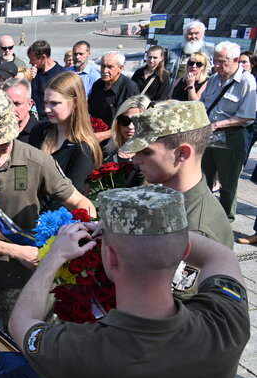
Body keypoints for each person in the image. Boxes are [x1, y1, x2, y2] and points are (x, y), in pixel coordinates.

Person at [8, 185, 249, 378]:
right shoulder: (225, 324)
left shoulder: (83, 350)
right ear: (184, 251)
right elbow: (222, 256)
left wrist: (54, 258)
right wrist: (159, 231)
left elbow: (21, 321)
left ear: (109, 259)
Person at [0, 88, 94, 326]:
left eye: (9, 134)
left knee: (27, 348)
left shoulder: (38, 160)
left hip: (25, 282)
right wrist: (16, 251)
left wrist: (81, 233)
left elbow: (80, 202)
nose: (6, 143)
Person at [120, 100, 232, 296]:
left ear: (182, 152)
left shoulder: (195, 228)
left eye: (146, 151)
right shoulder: (171, 200)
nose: (136, 159)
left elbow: (173, 310)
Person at [201, 41, 257, 221]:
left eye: (221, 62)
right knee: (204, 179)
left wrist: (218, 125)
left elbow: (247, 116)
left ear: (234, 60)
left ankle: (225, 220)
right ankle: (204, 215)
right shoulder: (214, 78)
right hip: (208, 136)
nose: (216, 65)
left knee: (228, 183)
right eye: (215, 61)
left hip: (231, 136)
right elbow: (203, 104)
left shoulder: (247, 81)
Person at [29, 71, 103, 195]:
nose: (47, 109)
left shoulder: (84, 148)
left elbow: (73, 197)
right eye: (45, 102)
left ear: (75, 102)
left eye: (54, 103)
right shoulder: (39, 131)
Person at [88, 51, 140, 142]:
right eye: (103, 66)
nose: (105, 71)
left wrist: (104, 135)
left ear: (121, 68)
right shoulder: (98, 85)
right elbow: (90, 110)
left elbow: (131, 123)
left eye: (110, 67)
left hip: (117, 140)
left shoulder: (130, 88)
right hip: (95, 137)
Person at [101, 95, 149, 187]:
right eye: (125, 120)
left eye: (137, 121)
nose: (130, 126)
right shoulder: (107, 154)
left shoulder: (154, 158)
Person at [166, 19, 217, 88]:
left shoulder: (211, 50)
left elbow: (215, 71)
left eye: (196, 33)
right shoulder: (172, 50)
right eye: (190, 34)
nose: (193, 36)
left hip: (201, 90)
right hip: (174, 88)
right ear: (184, 35)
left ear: (202, 34)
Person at [27, 40, 66, 119]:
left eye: (32, 59)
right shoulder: (34, 72)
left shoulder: (61, 75)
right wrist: (29, 79)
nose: (30, 62)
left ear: (43, 58)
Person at [2, 76, 38, 143]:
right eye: (7, 104)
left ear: (30, 104)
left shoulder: (41, 134)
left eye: (17, 104)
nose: (12, 109)